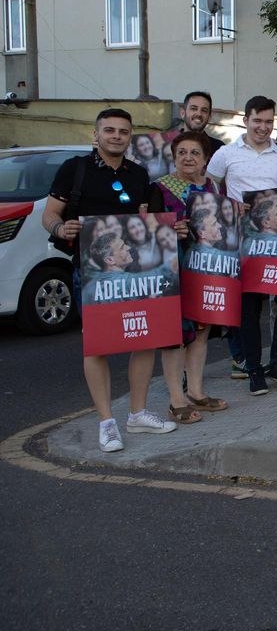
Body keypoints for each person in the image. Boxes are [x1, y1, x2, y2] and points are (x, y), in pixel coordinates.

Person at [42, 108, 177, 452]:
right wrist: (61, 228)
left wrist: (166, 227)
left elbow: (145, 222)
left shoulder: (138, 174)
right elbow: (50, 215)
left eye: (123, 131)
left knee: (144, 339)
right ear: (97, 134)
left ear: (130, 136)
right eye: (110, 130)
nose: (117, 136)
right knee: (97, 345)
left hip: (134, 273)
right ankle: (106, 422)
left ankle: (137, 413)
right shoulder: (75, 169)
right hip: (91, 273)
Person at [206, 95, 277, 395]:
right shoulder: (225, 153)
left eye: (268, 121)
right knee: (249, 308)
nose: (263, 127)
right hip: (242, 242)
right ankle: (253, 369)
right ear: (245, 120)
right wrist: (227, 206)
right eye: (257, 120)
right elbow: (208, 188)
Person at [147, 131, 229, 424]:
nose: (188, 158)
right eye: (182, 152)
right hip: (175, 269)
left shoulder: (214, 187)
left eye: (195, 153)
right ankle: (176, 400)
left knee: (202, 330)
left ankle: (195, 392)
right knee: (175, 335)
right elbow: (149, 233)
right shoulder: (160, 188)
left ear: (206, 158)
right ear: (174, 156)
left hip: (207, 268)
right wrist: (171, 230)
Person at [178, 90, 226, 158]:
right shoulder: (169, 143)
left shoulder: (218, 148)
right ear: (183, 113)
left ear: (209, 117)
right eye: (193, 108)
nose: (199, 114)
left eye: (204, 110)